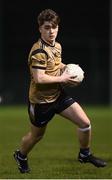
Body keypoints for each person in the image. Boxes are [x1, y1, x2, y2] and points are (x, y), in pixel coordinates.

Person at [13, 9, 106, 173]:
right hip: (40, 102)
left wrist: (69, 69)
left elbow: (57, 65)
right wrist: (63, 79)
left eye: (54, 27)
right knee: (37, 136)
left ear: (58, 28)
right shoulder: (38, 52)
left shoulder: (57, 46)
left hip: (58, 95)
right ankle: (21, 155)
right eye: (47, 27)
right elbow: (39, 78)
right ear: (40, 29)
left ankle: (84, 154)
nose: (51, 31)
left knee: (85, 123)